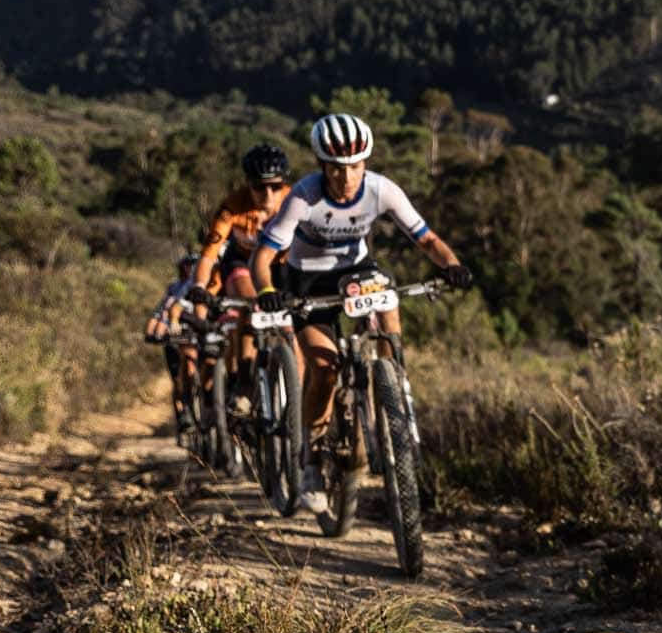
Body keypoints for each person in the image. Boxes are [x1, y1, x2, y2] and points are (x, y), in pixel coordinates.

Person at [249, 112, 472, 513]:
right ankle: (312, 461)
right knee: (324, 369)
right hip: (307, 281)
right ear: (322, 166)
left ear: (366, 162)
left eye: (355, 166)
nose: (346, 176)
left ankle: (393, 383)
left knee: (388, 296)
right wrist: (267, 290)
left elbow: (426, 239)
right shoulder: (303, 196)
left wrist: (451, 265)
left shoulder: (382, 190)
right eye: (336, 168)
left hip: (356, 271)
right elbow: (263, 257)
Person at [187, 142, 294, 390]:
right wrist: (200, 286)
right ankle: (244, 384)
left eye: (275, 186)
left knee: (293, 324)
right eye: (259, 187)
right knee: (251, 303)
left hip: (282, 265)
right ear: (248, 184)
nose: (268, 195)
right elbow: (208, 255)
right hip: (241, 263)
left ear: (284, 184)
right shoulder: (232, 207)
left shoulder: (294, 201)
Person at [145, 250, 206, 434]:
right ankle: (184, 410)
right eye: (189, 265)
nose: (193, 268)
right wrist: (155, 331)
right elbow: (161, 314)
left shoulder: (211, 282)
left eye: (196, 264)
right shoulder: (175, 290)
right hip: (180, 334)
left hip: (202, 331)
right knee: (183, 372)